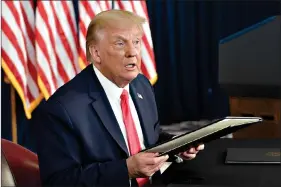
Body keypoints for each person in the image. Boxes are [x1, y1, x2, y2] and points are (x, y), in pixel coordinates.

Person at [34, 10, 204, 187]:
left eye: (136, 42)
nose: (132, 52)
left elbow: (147, 140)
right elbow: (59, 182)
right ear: (96, 53)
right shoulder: (62, 109)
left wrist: (178, 146)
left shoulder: (141, 85)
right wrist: (126, 169)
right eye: (120, 43)